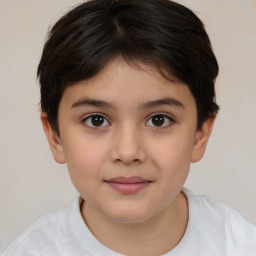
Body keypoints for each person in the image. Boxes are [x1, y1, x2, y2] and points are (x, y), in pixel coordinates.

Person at [2, 0, 256, 255]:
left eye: (159, 120)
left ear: (200, 134)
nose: (127, 151)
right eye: (96, 120)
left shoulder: (240, 245)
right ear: (55, 136)